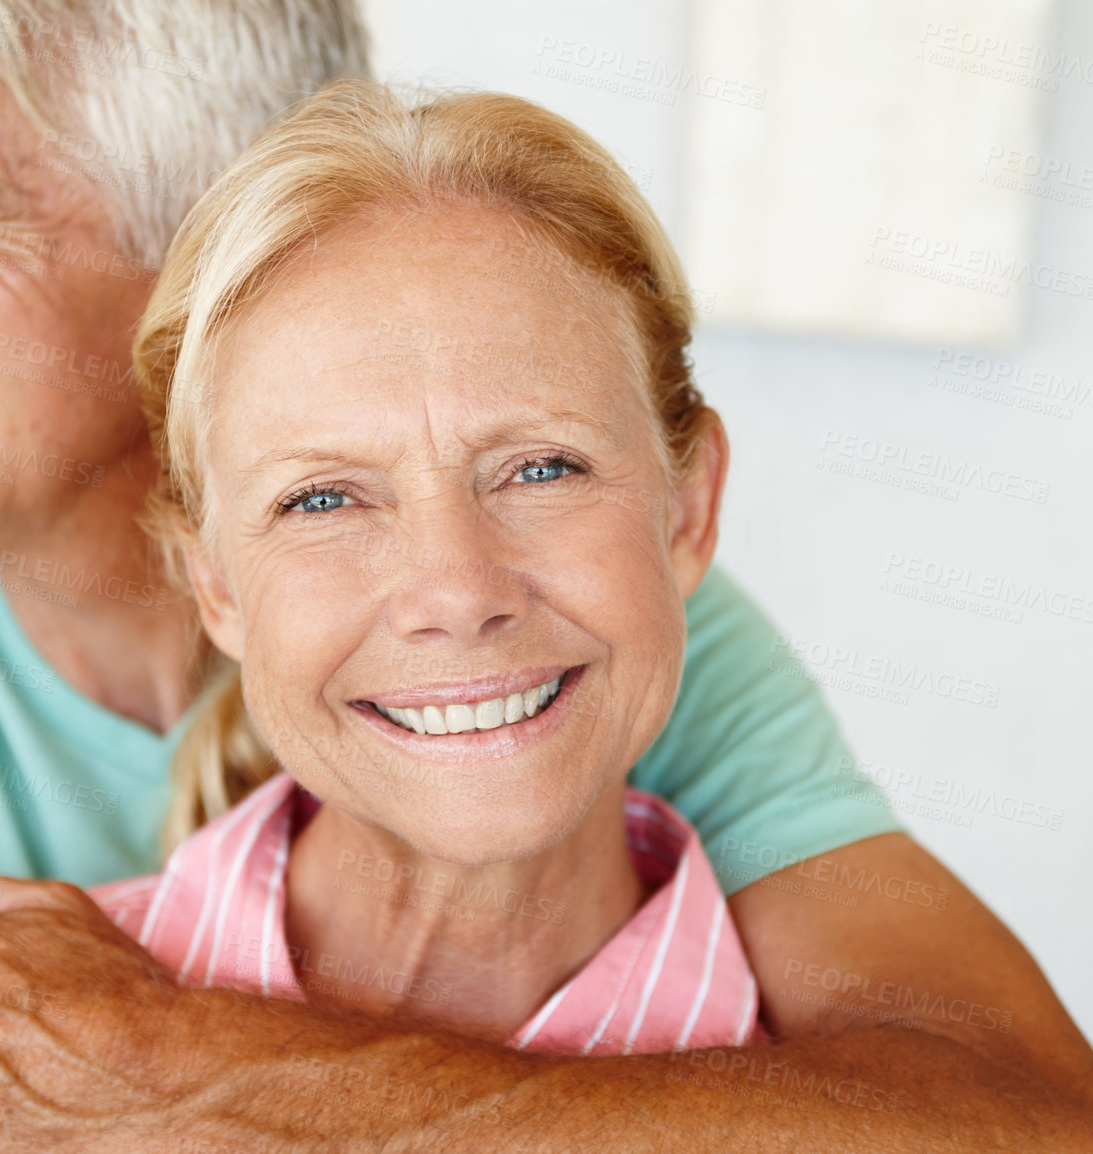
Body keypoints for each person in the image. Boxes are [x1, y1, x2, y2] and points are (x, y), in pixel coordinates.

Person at [0, 2, 1093, 1152]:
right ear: (212, 575)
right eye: (325, 497)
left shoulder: (621, 641)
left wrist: (167, 1069)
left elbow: (1035, 1121)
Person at [89, 80, 768, 1055]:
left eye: (541, 467)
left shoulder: (897, 1103)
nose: (455, 591)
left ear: (688, 507)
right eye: (321, 497)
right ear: (216, 584)